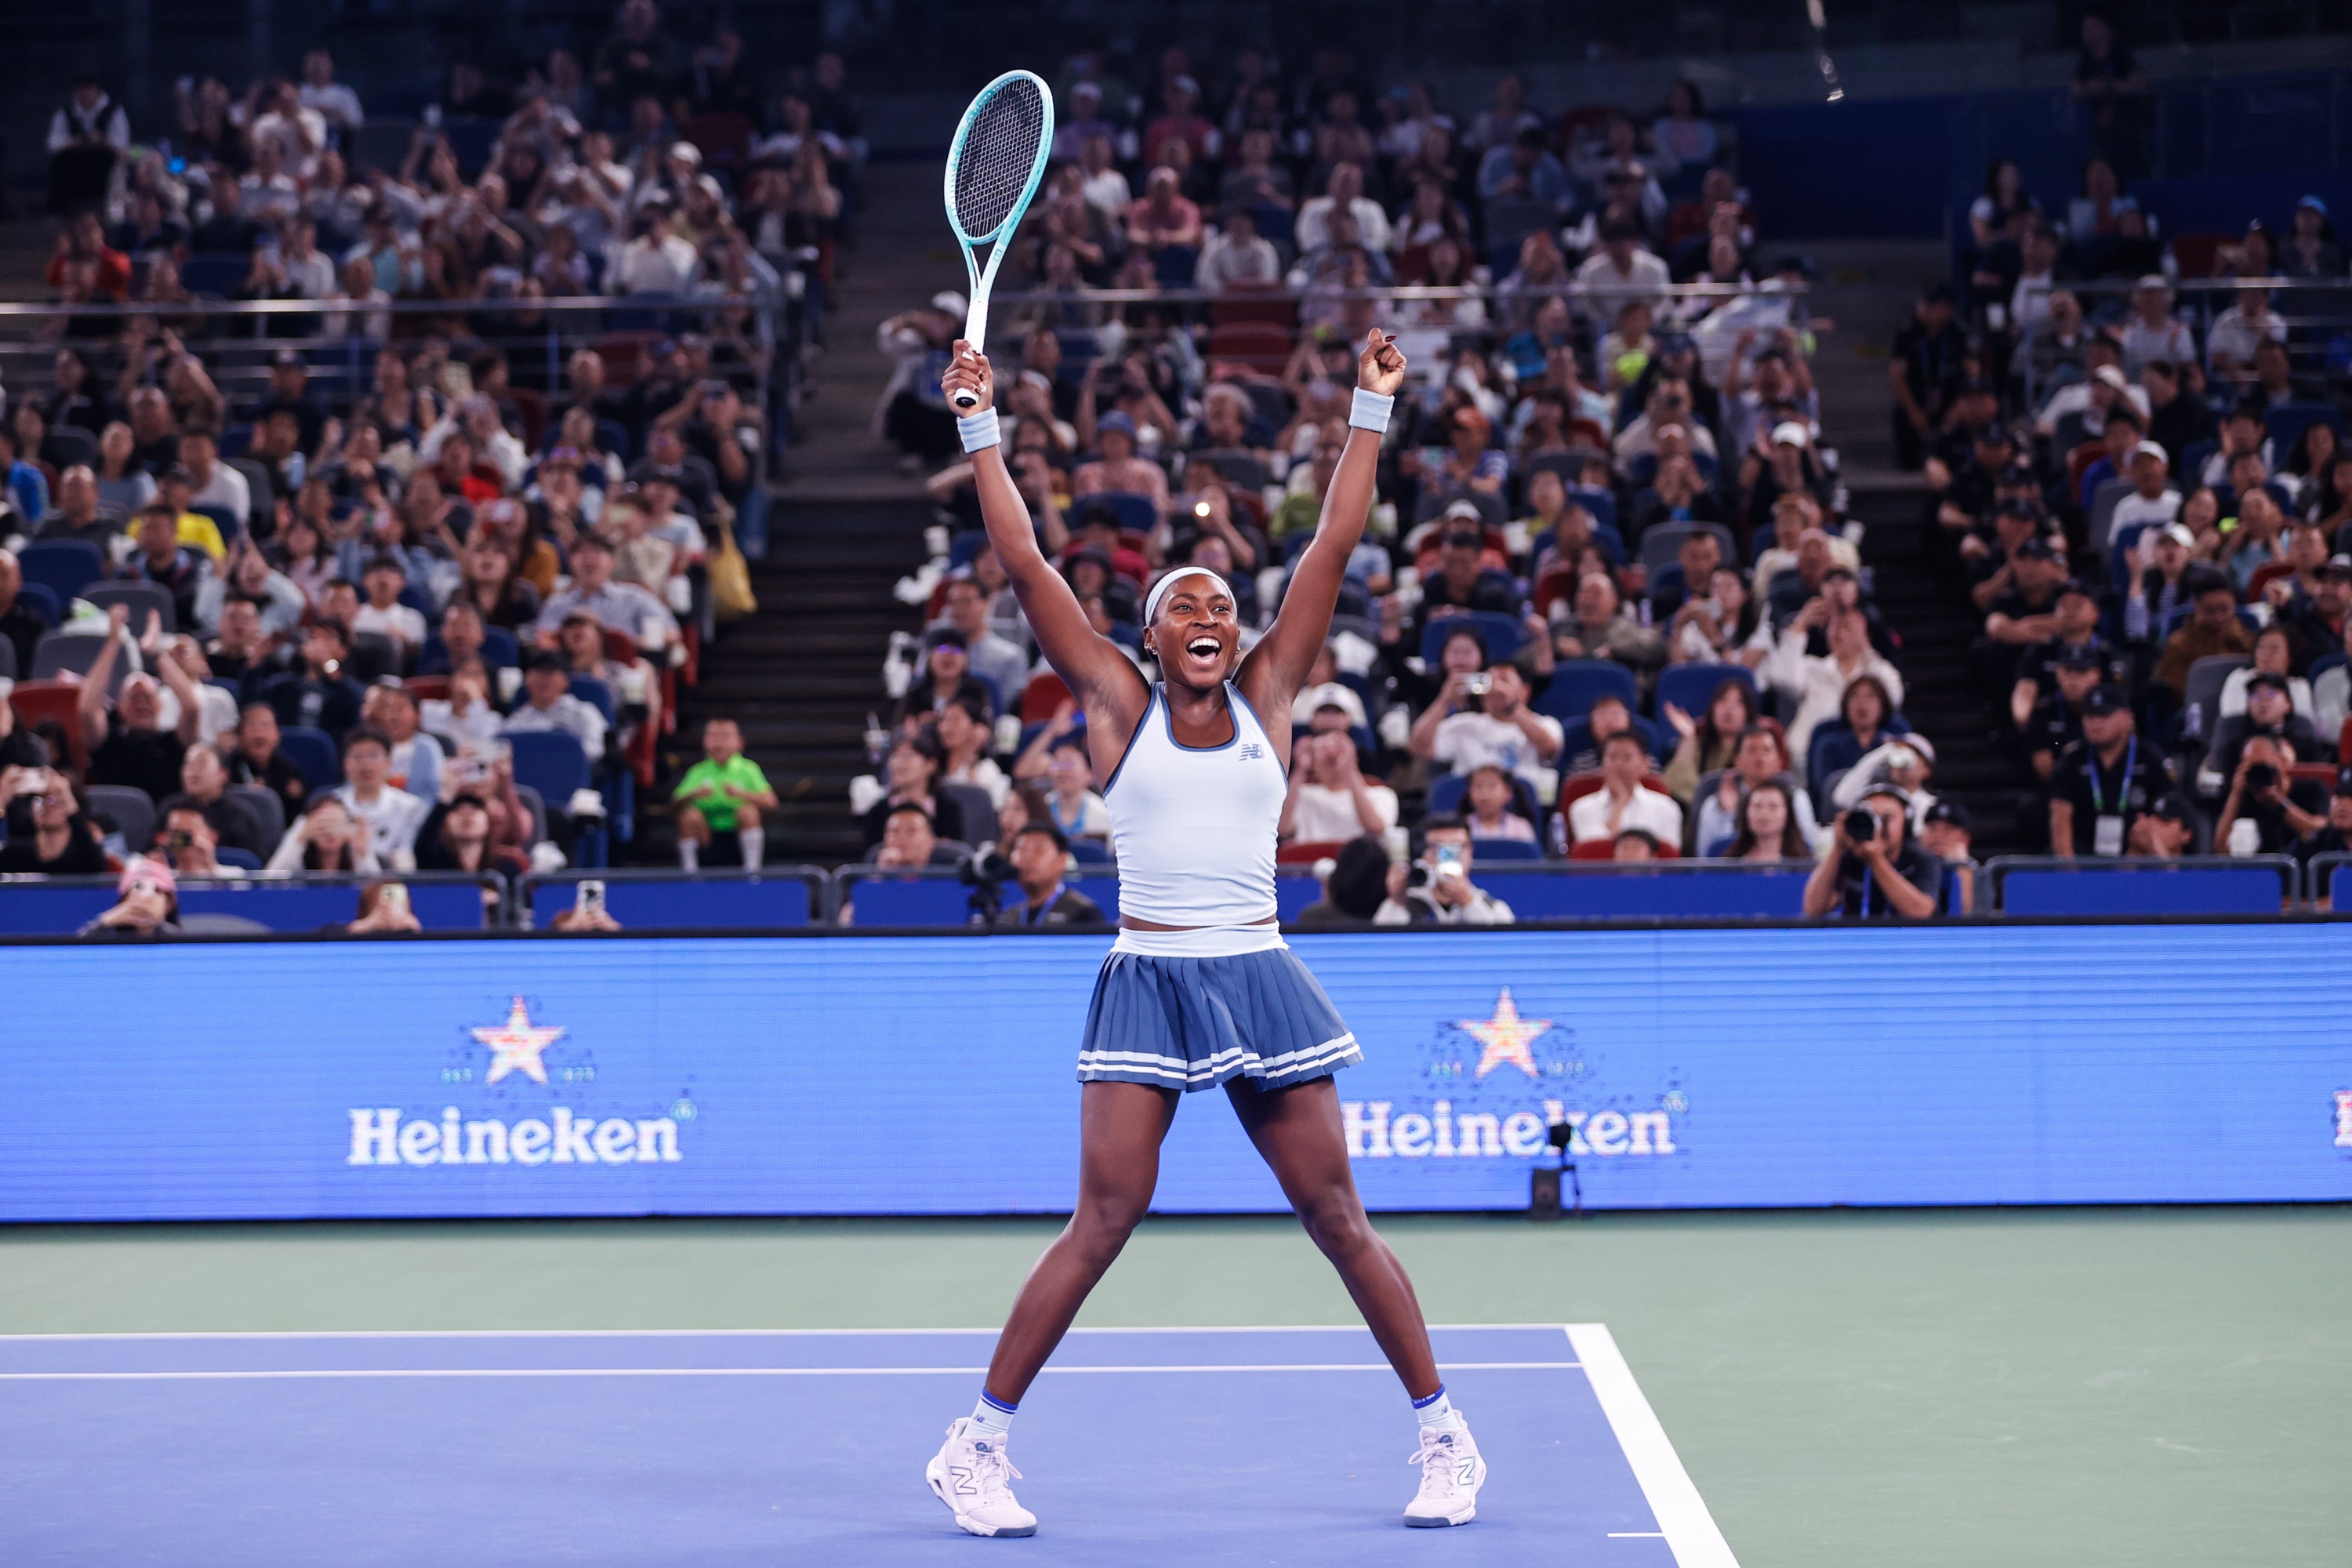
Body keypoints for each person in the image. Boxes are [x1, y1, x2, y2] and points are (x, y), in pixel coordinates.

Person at [931, 328, 1484, 1534]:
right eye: (1184, 603)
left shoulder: (1269, 697)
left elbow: (1333, 540)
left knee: (1337, 1218)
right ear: (1146, 636)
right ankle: (975, 1446)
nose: (1210, 615)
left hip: (1258, 967)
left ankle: (1446, 1435)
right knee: (1107, 1217)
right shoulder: (1115, 703)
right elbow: (1027, 568)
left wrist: (1368, 411)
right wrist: (981, 429)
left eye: (1224, 606)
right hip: (1150, 971)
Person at [2046, 685, 2167, 858]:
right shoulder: (2071, 759)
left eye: (2104, 715)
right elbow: (2060, 816)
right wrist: (2069, 872)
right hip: (2083, 856)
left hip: (2137, 855)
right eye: (2090, 716)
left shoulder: (2151, 758)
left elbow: (2168, 815)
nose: (2095, 723)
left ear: (2127, 718)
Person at [1802, 783, 1940, 918]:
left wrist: (1876, 860)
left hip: (1904, 939)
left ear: (1905, 823)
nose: (1879, 826)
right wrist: (1838, 847)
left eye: (1886, 819)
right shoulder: (1850, 857)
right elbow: (1813, 908)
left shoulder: (1920, 859)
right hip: (1857, 938)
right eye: (1872, 817)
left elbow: (1921, 912)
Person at [673, 716, 778, 869]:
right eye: (714, 736)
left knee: (748, 812)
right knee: (689, 817)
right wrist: (694, 794)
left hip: (737, 835)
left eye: (726, 736)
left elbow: (771, 803)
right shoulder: (697, 771)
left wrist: (741, 794)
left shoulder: (748, 769)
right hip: (707, 837)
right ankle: (690, 874)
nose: (719, 742)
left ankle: (752, 872)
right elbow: (675, 803)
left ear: (740, 742)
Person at [1374, 816, 1516, 926]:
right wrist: (1398, 902)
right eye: (1437, 848)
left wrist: (1467, 901)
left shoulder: (1495, 909)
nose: (1446, 857)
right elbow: (1381, 951)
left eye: (1455, 848)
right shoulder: (1404, 903)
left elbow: (1499, 951)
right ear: (1425, 854)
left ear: (1470, 853)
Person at [1568, 731, 1684, 848]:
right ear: (1602, 764)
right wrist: (1620, 803)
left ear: (1645, 765)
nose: (1619, 764)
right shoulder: (1582, 808)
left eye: (1627, 757)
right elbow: (1594, 854)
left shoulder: (1666, 809)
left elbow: (1668, 859)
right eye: (1612, 757)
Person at [1281, 728, 1398, 844]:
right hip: (1310, 860)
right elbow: (1282, 828)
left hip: (1356, 860)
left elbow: (1375, 829)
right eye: (1322, 749)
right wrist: (1300, 768)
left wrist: (1350, 767)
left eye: (1339, 748)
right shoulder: (1303, 794)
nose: (1331, 753)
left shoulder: (1381, 793)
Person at [995, 822, 1109, 927]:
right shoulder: (1008, 918)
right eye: (1022, 850)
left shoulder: (1083, 913)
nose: (1028, 857)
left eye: (1038, 850)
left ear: (1062, 860)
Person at [0, 769, 108, 874]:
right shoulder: (16, 854)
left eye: (55, 800)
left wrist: (65, 793)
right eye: (40, 799)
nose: (47, 806)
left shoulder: (84, 855)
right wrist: (2, 798)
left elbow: (98, 868)